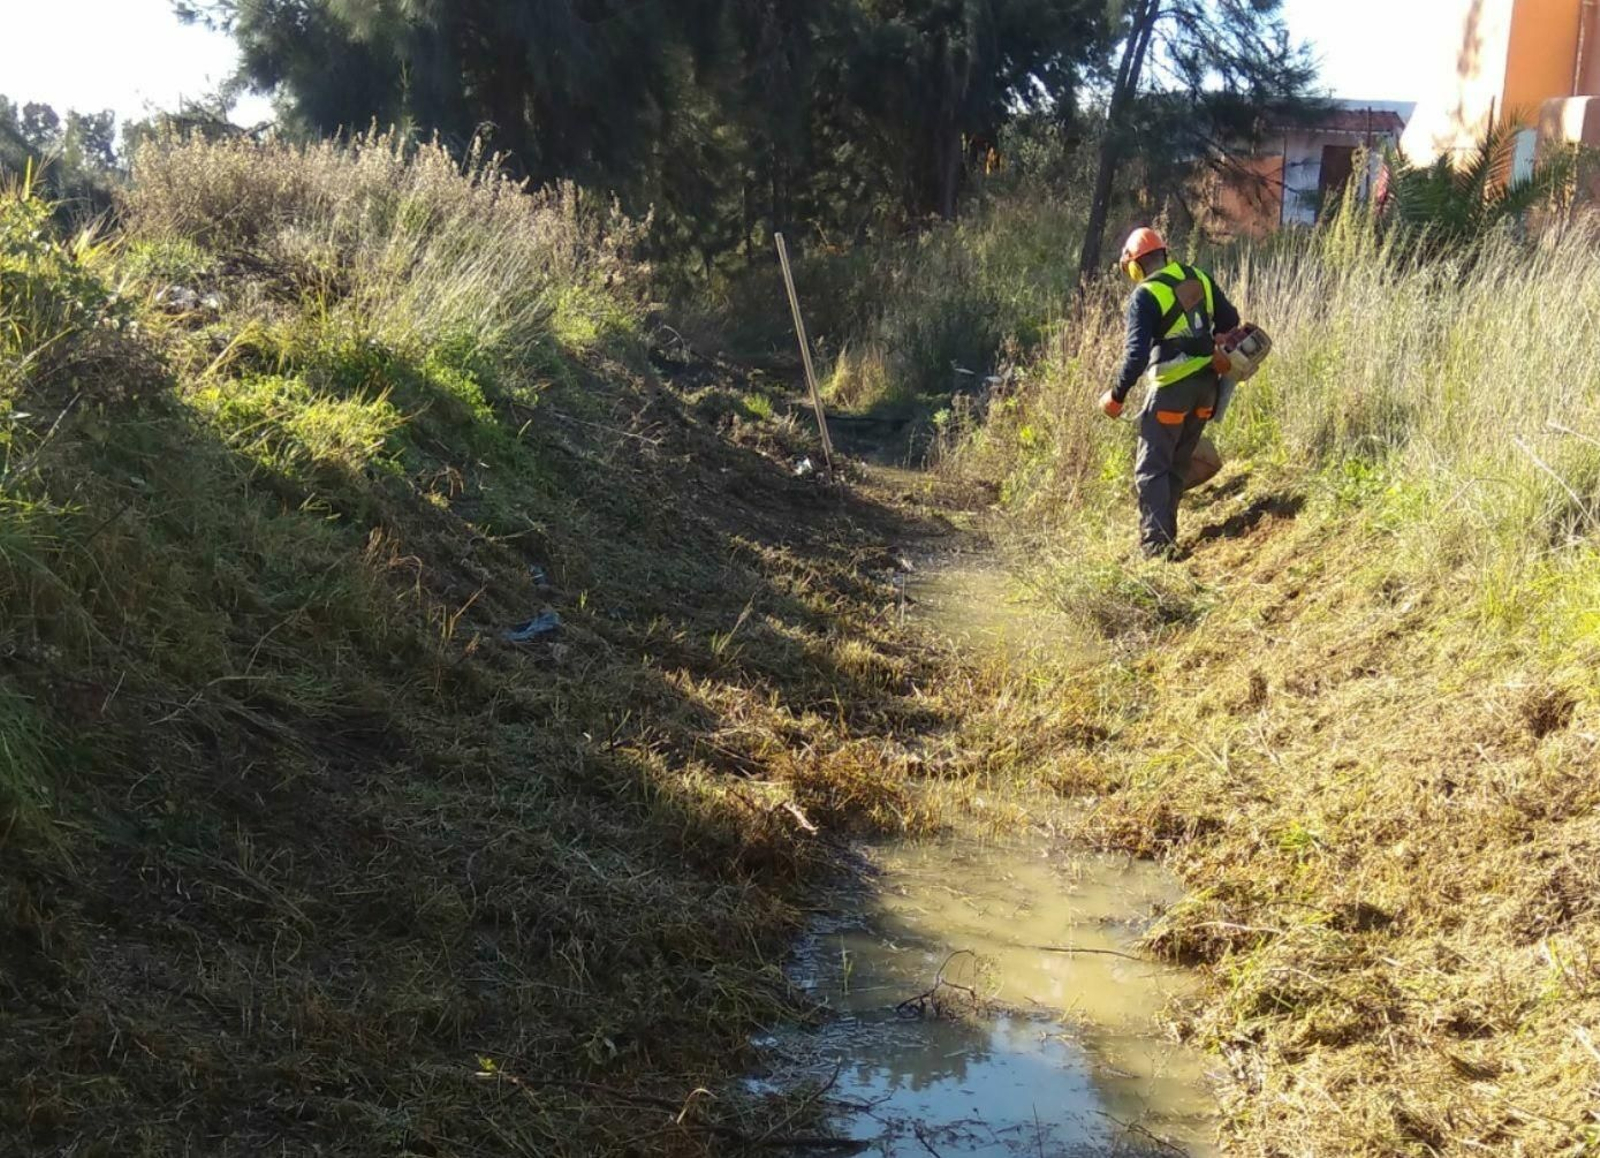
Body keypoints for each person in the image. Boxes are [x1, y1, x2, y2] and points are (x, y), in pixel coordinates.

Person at [1097, 227, 1241, 559]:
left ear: (1134, 265)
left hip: (1170, 394)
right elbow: (1230, 320)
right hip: (1207, 390)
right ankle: (1166, 541)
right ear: (1165, 253)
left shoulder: (1145, 295)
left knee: (1150, 471)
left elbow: (1135, 357)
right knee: (1175, 467)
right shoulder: (1199, 277)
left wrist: (1116, 397)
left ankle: (1154, 551)